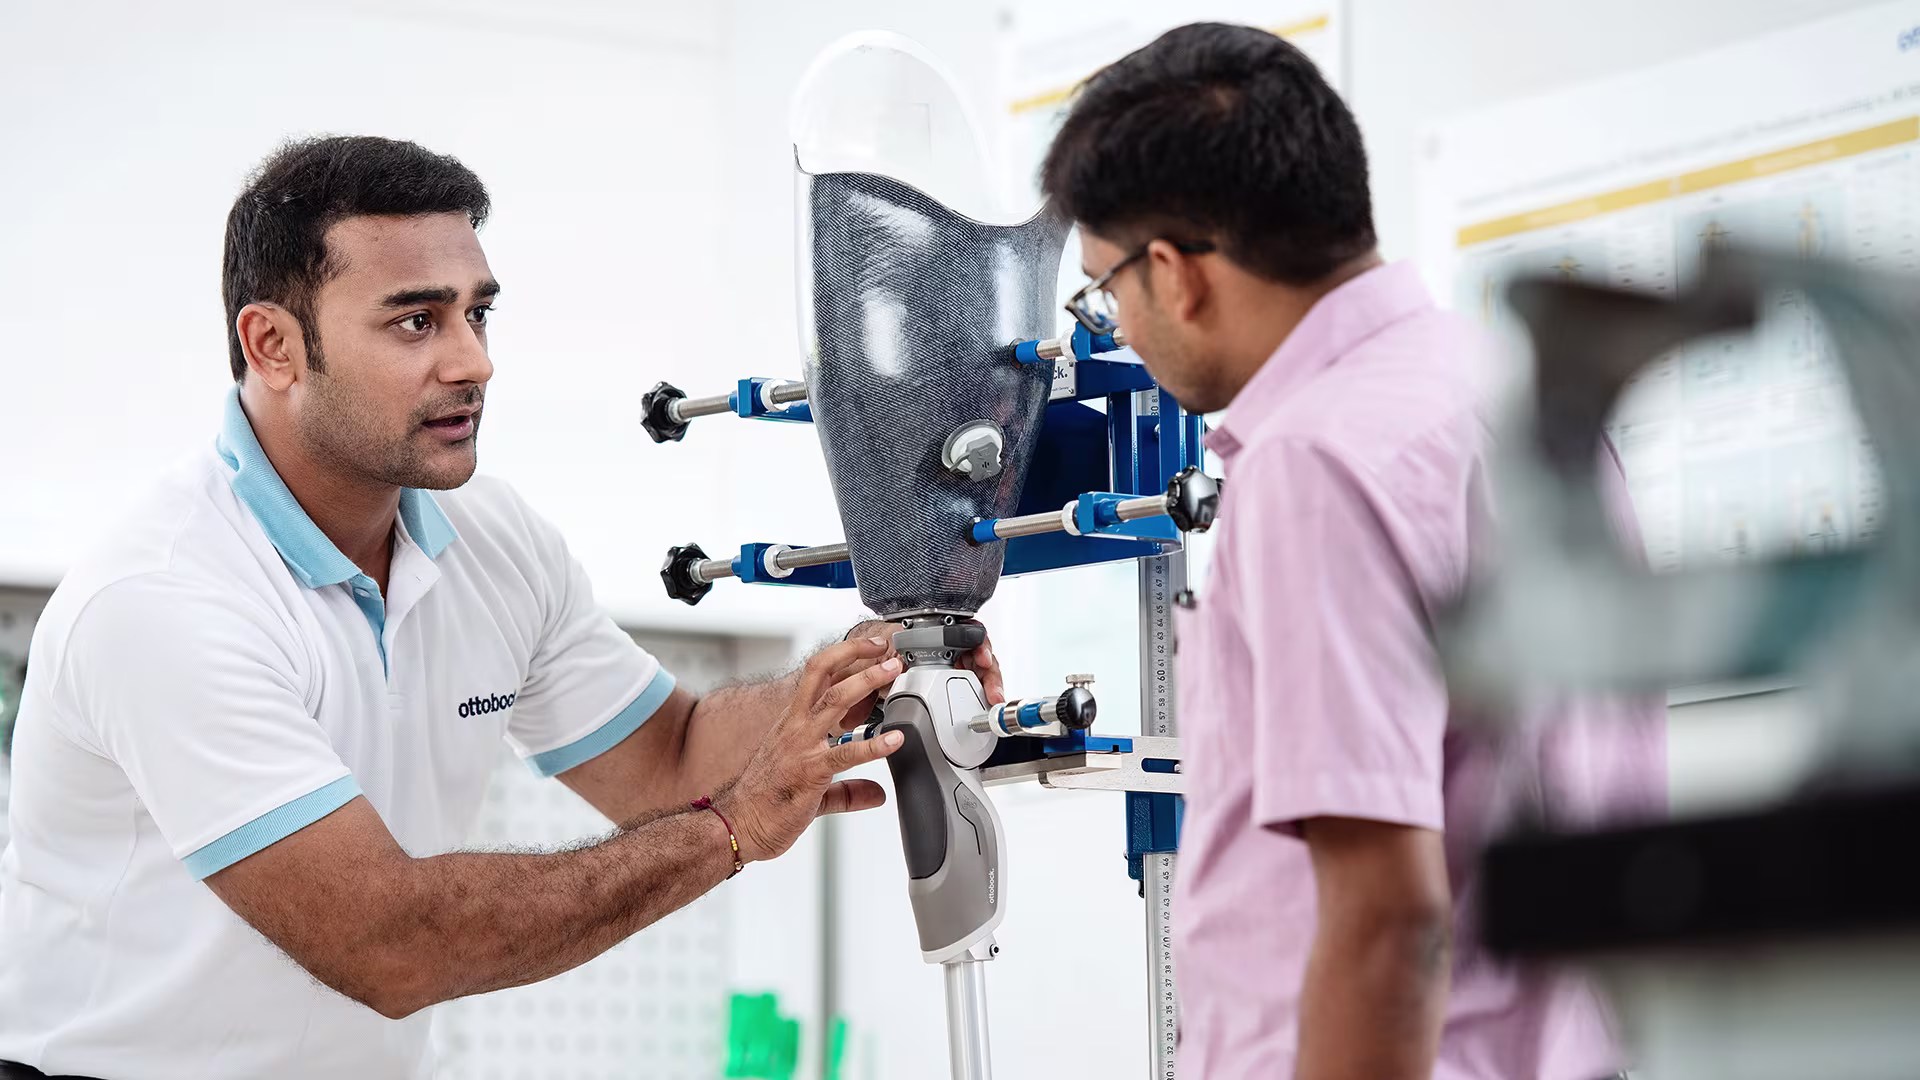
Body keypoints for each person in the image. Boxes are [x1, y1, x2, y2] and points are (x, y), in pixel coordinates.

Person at [0, 135, 1000, 1080]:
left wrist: (867, 675)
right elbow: (389, 943)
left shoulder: (487, 535)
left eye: (478, 312)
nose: (473, 361)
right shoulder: (168, 598)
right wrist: (729, 830)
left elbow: (670, 760)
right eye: (415, 320)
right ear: (272, 345)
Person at [1041, 23, 1665, 1080]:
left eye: (1106, 293)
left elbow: (1388, 917)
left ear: (1174, 274)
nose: (1123, 331)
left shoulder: (1315, 464)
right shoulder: (1517, 397)